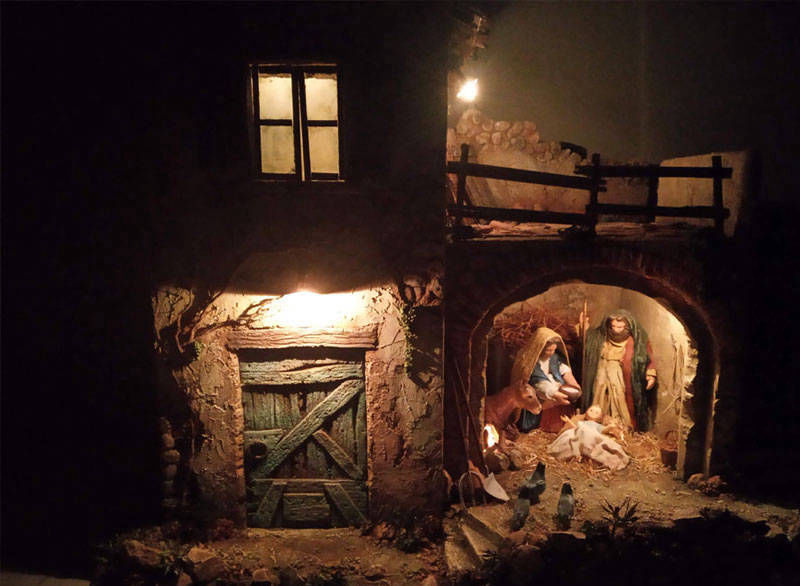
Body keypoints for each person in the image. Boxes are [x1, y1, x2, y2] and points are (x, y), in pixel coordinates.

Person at [580, 310, 657, 431]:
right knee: (598, 390)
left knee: (618, 393)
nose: (616, 330)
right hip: (602, 367)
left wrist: (650, 374)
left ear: (627, 326)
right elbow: (590, 339)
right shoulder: (603, 335)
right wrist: (585, 328)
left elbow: (647, 356)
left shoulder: (636, 340)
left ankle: (619, 423)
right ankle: (596, 421)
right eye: (613, 326)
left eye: (620, 327)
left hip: (617, 371)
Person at [510, 327, 582, 433]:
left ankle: (562, 423)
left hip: (553, 385)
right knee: (548, 395)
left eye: (553, 350)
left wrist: (572, 382)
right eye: (548, 350)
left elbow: (562, 368)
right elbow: (539, 382)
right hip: (537, 390)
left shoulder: (554, 357)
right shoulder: (530, 360)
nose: (551, 353)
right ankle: (545, 425)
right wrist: (554, 394)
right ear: (540, 348)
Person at [547, 405, 630, 471]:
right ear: (587, 412)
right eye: (591, 410)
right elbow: (576, 427)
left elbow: (603, 430)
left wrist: (610, 427)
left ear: (600, 416)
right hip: (579, 435)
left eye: (596, 412)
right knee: (569, 435)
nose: (593, 413)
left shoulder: (597, 425)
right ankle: (570, 454)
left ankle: (582, 455)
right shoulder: (582, 422)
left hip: (590, 436)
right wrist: (568, 421)